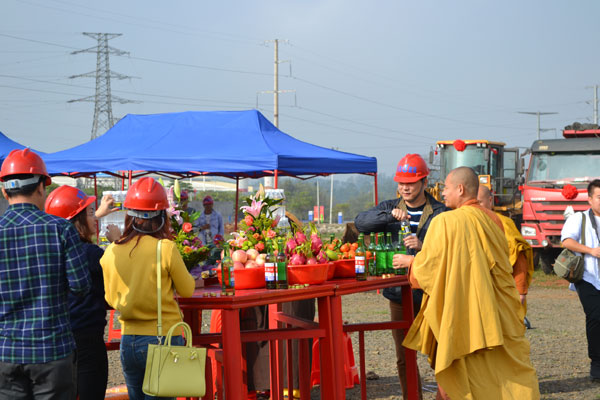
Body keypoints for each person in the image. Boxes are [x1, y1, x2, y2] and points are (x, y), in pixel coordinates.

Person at [395, 167, 540, 399]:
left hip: (462, 309)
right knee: (502, 371)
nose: (443, 193)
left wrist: (411, 262)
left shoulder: (445, 221)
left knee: (459, 368)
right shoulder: (496, 220)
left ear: (460, 189)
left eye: (446, 188)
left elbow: (430, 269)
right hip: (495, 310)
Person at [0, 149, 91, 399]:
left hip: (5, 352)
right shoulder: (60, 229)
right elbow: (81, 286)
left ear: (5, 191)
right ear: (42, 187)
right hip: (52, 350)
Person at [354, 154, 446, 400]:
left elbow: (450, 250)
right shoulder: (389, 207)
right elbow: (361, 223)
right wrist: (389, 216)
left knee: (440, 353)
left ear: (424, 182)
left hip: (431, 293)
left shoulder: (440, 212)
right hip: (399, 294)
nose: (405, 187)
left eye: (411, 183)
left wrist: (423, 246)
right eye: (402, 182)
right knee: (404, 355)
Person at [101, 177, 196, 400]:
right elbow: (188, 290)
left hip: (128, 341)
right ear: (162, 218)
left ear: (129, 216)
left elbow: (110, 299)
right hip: (163, 338)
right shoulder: (165, 248)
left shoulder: (112, 251)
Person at [45, 186, 122, 400]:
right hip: (87, 338)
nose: (95, 218)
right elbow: (121, 276)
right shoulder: (90, 254)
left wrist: (96, 214)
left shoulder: (49, 252)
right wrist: (117, 243)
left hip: (57, 337)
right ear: (78, 222)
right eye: (90, 213)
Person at [561, 179, 600, 382]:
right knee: (596, 317)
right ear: (590, 199)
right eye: (599, 197)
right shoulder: (579, 218)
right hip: (587, 277)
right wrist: (591, 251)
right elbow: (566, 241)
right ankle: (597, 364)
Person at [477, 185, 534, 317]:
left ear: (490, 201)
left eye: (479, 202)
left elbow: (517, 254)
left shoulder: (503, 223)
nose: (476, 207)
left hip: (500, 291)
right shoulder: (464, 223)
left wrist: (520, 290)